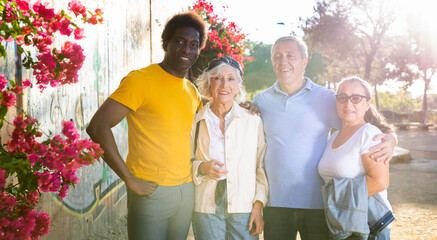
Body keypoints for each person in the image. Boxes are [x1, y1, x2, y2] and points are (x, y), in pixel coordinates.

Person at [252, 36, 397, 240]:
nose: (283, 61)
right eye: (278, 56)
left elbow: (367, 122)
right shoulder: (261, 100)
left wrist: (390, 139)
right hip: (275, 204)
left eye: (290, 56)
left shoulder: (328, 98)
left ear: (305, 61)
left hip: (320, 205)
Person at [86, 11, 207, 240]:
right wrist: (129, 179)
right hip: (151, 192)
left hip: (186, 190)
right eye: (179, 41)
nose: (186, 49)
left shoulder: (192, 91)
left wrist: (248, 107)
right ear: (166, 43)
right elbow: (97, 126)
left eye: (194, 44)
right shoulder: (141, 80)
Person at [190, 56, 268, 239]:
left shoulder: (253, 121)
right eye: (217, 78)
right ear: (208, 83)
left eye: (231, 78)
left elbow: (261, 167)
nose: (224, 84)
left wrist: (258, 205)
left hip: (244, 206)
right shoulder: (196, 121)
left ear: (238, 86)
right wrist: (202, 167)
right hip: (205, 207)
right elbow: (186, 162)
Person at [318, 77, 395, 239]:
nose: (348, 104)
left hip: (367, 226)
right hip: (342, 224)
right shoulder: (334, 135)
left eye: (356, 98)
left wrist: (332, 193)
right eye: (342, 98)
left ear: (367, 104)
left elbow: (380, 182)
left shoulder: (369, 134)